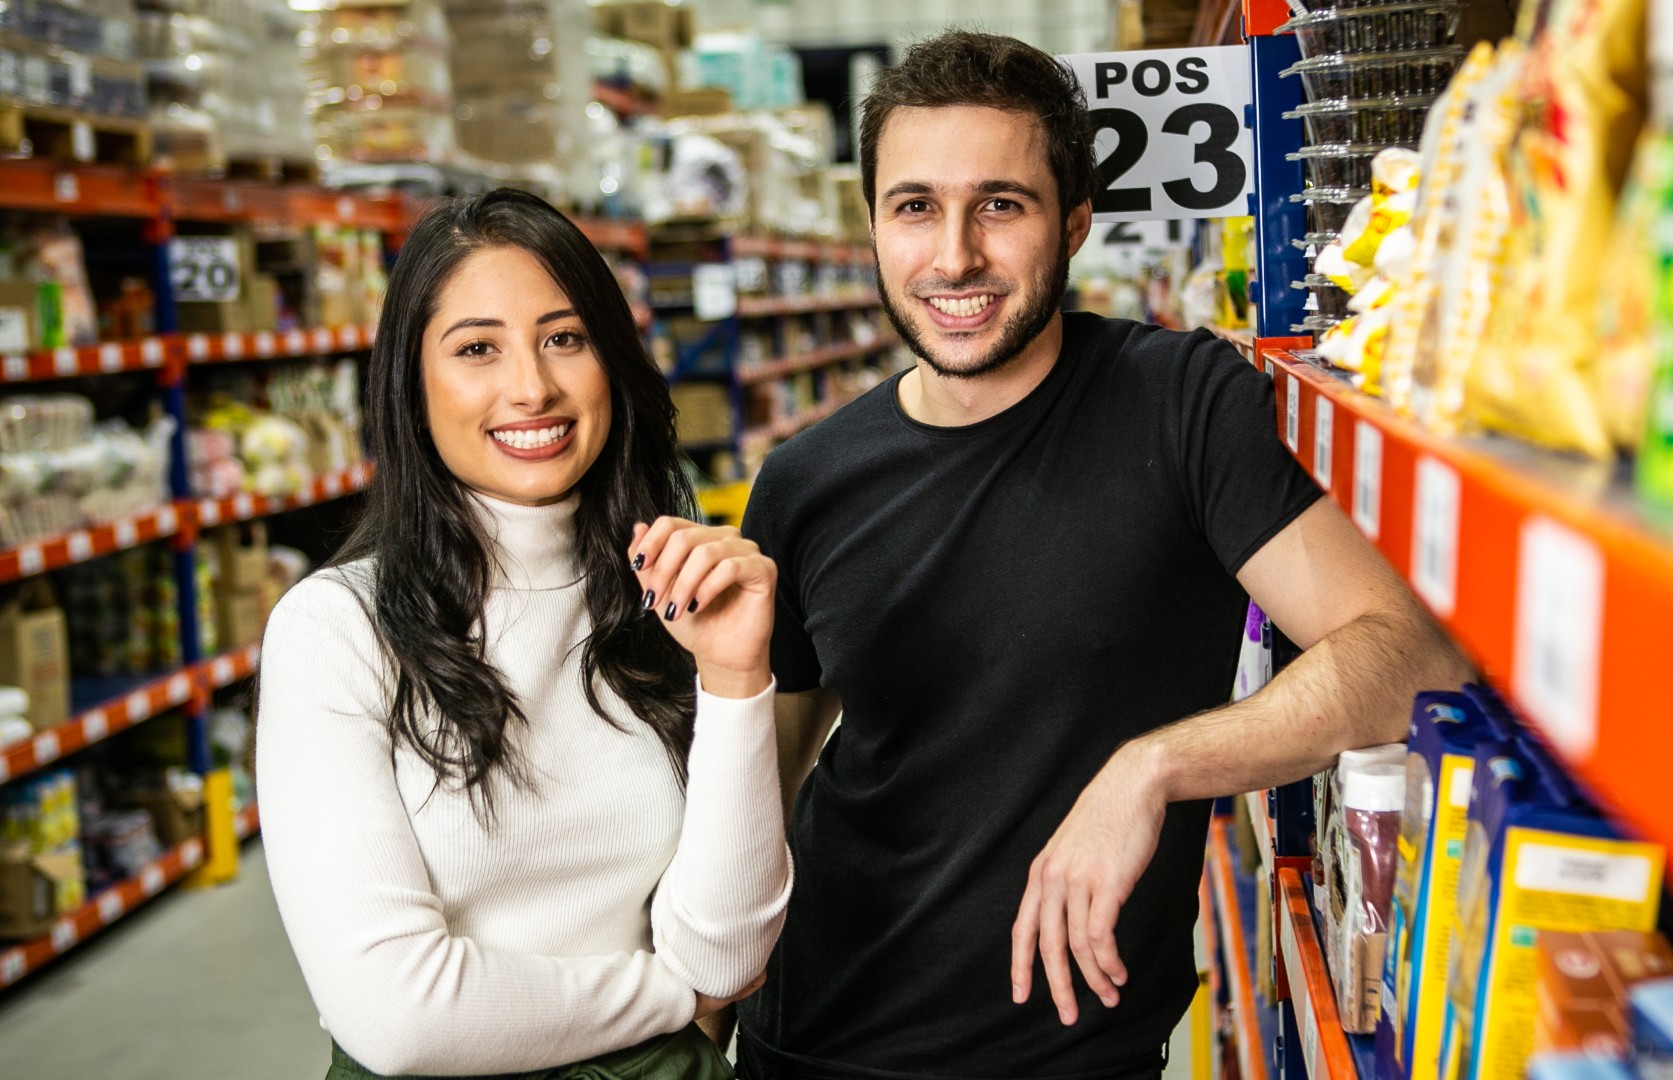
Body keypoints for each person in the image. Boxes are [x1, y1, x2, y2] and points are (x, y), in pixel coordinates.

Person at [734, 31, 1472, 1080]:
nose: (953, 256)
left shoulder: (1182, 404)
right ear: (873, 227)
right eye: (914, 207)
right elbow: (762, 778)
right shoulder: (805, 478)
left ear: (1074, 221)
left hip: (1069, 1056)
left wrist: (1157, 767)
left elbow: (1413, 658)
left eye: (1001, 204)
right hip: (804, 1043)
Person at [256, 189, 791, 1080]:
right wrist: (668, 999)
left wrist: (736, 674)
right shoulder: (336, 630)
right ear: (412, 388)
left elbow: (729, 955)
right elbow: (397, 1017)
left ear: (610, 362)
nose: (532, 386)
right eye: (476, 349)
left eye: (564, 338)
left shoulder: (665, 599)